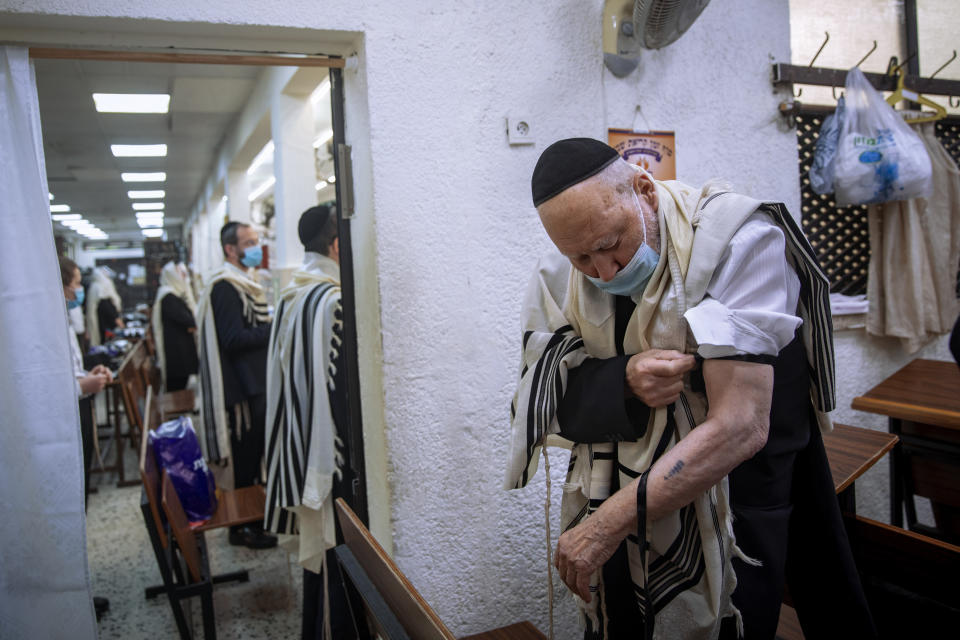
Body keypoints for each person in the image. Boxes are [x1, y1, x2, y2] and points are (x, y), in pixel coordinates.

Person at [504, 139, 875, 639]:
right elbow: (542, 394)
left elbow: (740, 425)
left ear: (644, 190)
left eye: (613, 243)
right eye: (581, 258)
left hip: (735, 497)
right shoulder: (560, 276)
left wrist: (606, 523)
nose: (604, 272)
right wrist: (626, 380)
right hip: (615, 480)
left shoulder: (737, 241)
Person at [263, 204, 357, 639]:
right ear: (338, 246)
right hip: (330, 457)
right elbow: (342, 397)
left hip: (299, 448)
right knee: (338, 566)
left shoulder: (293, 292)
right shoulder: (334, 301)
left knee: (320, 568)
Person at [196, 221, 276, 549]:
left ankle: (253, 521)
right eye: (249, 242)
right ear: (231, 249)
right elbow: (232, 339)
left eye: (256, 240)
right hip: (240, 391)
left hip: (252, 385)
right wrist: (272, 328)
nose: (255, 247)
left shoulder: (244, 282)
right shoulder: (225, 287)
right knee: (244, 463)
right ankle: (243, 528)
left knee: (252, 457)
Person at [59, 255, 112, 620]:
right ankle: (69, 592)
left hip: (77, 406)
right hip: (65, 414)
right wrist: (82, 386)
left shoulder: (60, 318)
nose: (79, 289)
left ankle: (78, 587)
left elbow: (67, 367)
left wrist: (85, 374)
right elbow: (45, 381)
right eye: (75, 283)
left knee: (79, 504)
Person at [151, 261, 199, 391]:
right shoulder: (168, 296)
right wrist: (192, 324)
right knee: (177, 386)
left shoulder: (174, 294)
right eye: (180, 274)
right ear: (172, 276)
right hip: (176, 352)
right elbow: (187, 319)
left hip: (180, 349)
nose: (183, 277)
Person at [86, 266, 124, 345]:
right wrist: (116, 318)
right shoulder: (100, 286)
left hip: (101, 321)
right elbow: (106, 305)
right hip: (104, 322)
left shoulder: (94, 286)